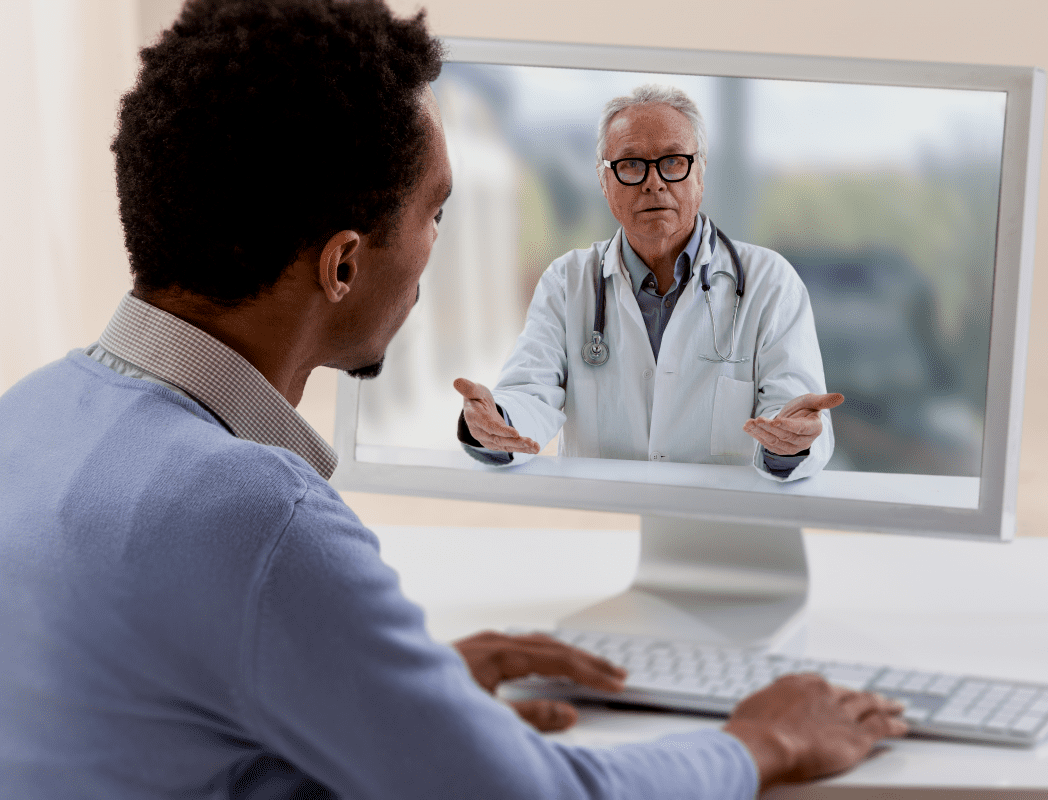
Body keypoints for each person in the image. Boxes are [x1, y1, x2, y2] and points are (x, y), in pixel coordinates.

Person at [0, 2, 905, 797]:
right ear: (344, 265)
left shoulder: (26, 418)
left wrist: (389, 696)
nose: (654, 184)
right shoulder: (257, 518)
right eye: (435, 214)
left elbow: (157, 725)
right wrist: (765, 742)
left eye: (674, 163)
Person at [455, 84, 843, 482]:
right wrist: (496, 421)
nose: (653, 182)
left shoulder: (771, 283)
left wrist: (790, 442)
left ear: (700, 173)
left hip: (721, 518)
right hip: (608, 515)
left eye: (673, 162)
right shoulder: (566, 282)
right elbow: (528, 393)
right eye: (631, 165)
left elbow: (792, 410)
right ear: (604, 181)